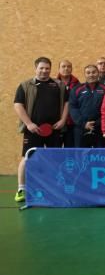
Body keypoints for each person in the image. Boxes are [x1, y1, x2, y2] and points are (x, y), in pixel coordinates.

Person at [13, 57, 68, 203]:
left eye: (47, 68)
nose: (44, 71)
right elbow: (18, 105)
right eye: (41, 68)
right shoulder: (25, 85)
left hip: (54, 130)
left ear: (51, 69)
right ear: (35, 68)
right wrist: (29, 124)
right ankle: (21, 189)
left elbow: (67, 103)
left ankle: (54, 188)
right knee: (27, 157)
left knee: (55, 159)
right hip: (33, 130)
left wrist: (62, 120)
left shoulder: (59, 85)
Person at [69, 65, 105, 148]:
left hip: (100, 128)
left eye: (94, 72)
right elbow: (73, 108)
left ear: (98, 73)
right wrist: (84, 124)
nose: (91, 75)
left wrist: (98, 123)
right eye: (88, 73)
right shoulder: (76, 89)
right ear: (85, 74)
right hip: (81, 128)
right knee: (81, 156)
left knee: (99, 156)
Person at [56, 59, 79, 147]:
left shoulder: (78, 85)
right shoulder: (53, 83)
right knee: (56, 151)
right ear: (59, 69)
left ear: (72, 69)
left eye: (68, 66)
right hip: (57, 123)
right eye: (63, 66)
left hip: (72, 123)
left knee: (70, 150)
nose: (66, 69)